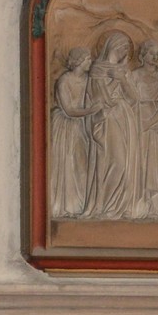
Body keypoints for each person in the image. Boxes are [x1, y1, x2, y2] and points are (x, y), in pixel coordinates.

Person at [84, 32, 141, 220]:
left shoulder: (125, 71)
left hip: (124, 117)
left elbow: (134, 98)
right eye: (123, 45)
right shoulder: (97, 69)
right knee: (116, 161)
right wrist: (114, 77)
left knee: (125, 163)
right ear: (112, 45)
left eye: (128, 47)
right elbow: (100, 99)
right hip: (107, 119)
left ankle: (116, 206)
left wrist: (123, 77)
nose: (126, 50)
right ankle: (104, 205)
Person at [121, 39, 158, 219]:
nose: (154, 57)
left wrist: (150, 123)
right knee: (138, 162)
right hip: (136, 119)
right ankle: (138, 204)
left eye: (157, 54)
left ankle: (157, 205)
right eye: (151, 53)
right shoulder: (134, 75)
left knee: (155, 162)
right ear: (143, 54)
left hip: (156, 123)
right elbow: (128, 99)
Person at [47, 48, 99, 220]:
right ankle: (67, 204)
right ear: (79, 61)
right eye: (87, 60)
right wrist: (91, 110)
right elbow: (68, 110)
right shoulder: (64, 80)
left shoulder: (87, 80)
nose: (90, 63)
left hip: (82, 125)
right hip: (67, 126)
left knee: (81, 165)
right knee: (68, 163)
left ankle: (80, 204)